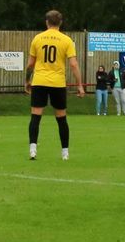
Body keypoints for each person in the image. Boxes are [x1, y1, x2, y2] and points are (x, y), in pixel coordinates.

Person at [25, 9, 82, 161]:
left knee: (35, 117)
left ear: (46, 22)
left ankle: (33, 150)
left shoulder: (37, 39)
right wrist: (80, 85)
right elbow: (73, 64)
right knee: (61, 119)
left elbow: (30, 64)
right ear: (60, 23)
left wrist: (27, 80)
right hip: (57, 83)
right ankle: (65, 152)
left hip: (40, 81)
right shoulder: (66, 40)